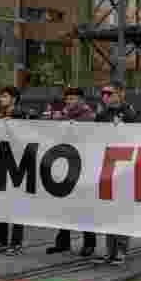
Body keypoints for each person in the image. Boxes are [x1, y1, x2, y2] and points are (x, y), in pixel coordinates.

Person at [87, 84, 136, 265]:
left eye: (109, 93)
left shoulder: (130, 114)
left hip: (124, 167)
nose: (105, 96)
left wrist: (122, 129)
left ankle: (121, 250)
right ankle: (110, 251)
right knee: (108, 209)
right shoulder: (101, 115)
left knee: (121, 210)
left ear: (120, 93)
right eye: (103, 93)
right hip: (106, 166)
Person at [48, 87, 96, 256]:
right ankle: (62, 241)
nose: (69, 102)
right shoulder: (62, 115)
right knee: (63, 205)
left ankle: (89, 242)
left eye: (73, 99)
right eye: (67, 99)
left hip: (83, 166)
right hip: (65, 163)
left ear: (82, 100)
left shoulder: (88, 116)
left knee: (84, 206)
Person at [0, 87, 26, 255]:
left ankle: (16, 242)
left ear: (14, 99)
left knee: (16, 204)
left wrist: (10, 120)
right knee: (1, 202)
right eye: (0, 96)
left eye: (4, 96)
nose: (0, 99)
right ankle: (1, 239)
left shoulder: (22, 115)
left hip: (18, 163)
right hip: (0, 162)